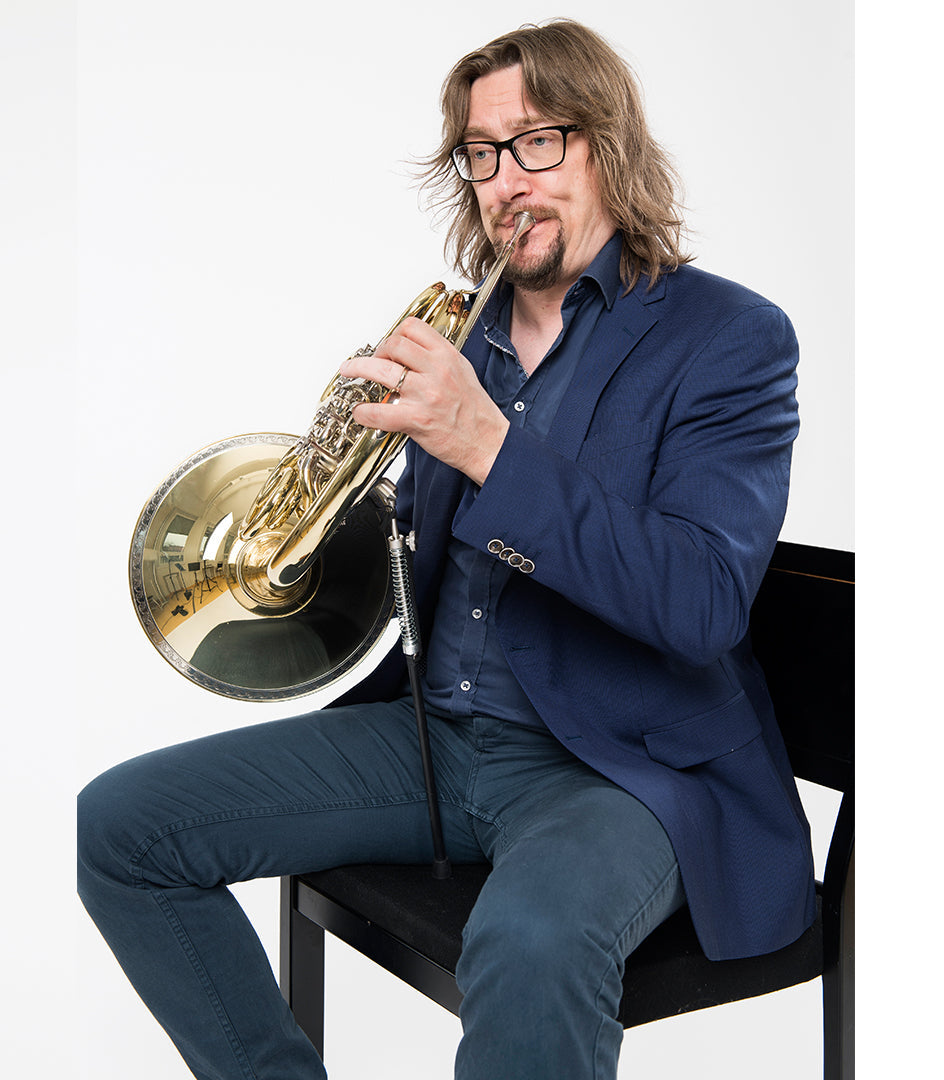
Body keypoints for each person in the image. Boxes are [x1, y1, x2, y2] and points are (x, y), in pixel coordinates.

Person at [78, 19, 815, 1080]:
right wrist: (341, 493)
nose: (507, 180)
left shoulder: (728, 338)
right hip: (435, 742)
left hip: (621, 767)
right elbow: (424, 572)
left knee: (529, 944)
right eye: (482, 154)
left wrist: (484, 444)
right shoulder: (460, 334)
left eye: (538, 142)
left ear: (608, 144)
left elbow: (699, 602)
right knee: (119, 829)